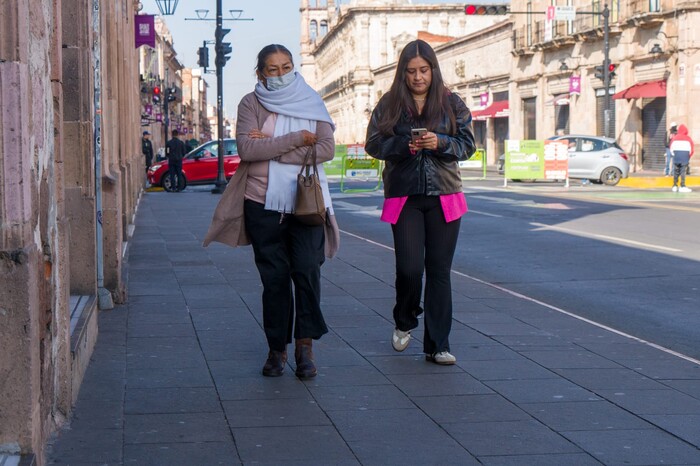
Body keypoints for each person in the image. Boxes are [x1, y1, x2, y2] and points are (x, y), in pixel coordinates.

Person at [203, 44, 339, 379]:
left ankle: (305, 346)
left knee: (307, 270)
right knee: (274, 279)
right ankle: (277, 350)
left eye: (286, 66)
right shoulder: (251, 103)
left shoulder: (311, 99)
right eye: (273, 69)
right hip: (261, 203)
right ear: (261, 73)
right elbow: (247, 149)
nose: (280, 74)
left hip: (305, 203)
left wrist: (273, 148)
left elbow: (325, 149)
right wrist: (297, 138)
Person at [365, 40, 476, 366]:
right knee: (409, 268)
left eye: (423, 70)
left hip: (445, 195)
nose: (417, 77)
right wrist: (404, 145)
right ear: (403, 73)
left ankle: (438, 345)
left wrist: (439, 141)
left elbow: (468, 144)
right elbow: (373, 143)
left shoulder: (452, 103)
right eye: (411, 71)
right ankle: (404, 317)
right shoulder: (389, 104)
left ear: (433, 70)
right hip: (405, 197)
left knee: (439, 272)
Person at [669, 123, 694, 193]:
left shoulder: (675, 138)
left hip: (676, 157)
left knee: (676, 171)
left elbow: (671, 147)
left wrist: (674, 155)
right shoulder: (688, 138)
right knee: (683, 171)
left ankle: (674, 185)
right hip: (685, 157)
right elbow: (692, 149)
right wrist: (688, 156)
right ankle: (682, 186)